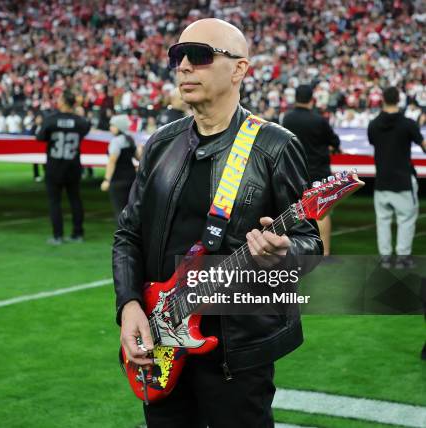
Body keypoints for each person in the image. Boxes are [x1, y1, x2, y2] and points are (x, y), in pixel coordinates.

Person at [113, 19, 322, 428]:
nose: (185, 67)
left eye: (201, 56)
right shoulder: (160, 144)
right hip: (161, 341)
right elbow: (127, 234)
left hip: (237, 353)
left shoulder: (275, 146)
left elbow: (308, 244)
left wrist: (285, 253)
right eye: (178, 56)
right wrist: (129, 305)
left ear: (240, 69)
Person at [367, 87, 426, 269]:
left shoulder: (374, 124)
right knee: (406, 221)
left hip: (382, 179)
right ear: (399, 100)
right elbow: (423, 145)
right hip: (403, 180)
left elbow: (373, 142)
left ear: (383, 99)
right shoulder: (407, 123)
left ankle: (385, 258)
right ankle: (402, 258)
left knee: (383, 221)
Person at [282, 85, 341, 256]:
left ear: (296, 99)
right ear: (311, 99)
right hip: (318, 172)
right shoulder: (319, 120)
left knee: (295, 212)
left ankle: (293, 249)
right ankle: (325, 252)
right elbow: (334, 142)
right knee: (321, 212)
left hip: (294, 171)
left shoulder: (287, 119)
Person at [36, 90, 91, 245]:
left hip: (54, 166)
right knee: (75, 199)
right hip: (73, 165)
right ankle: (78, 233)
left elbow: (40, 137)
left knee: (54, 201)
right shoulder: (80, 121)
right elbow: (85, 129)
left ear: (63, 102)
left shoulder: (51, 120)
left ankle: (57, 235)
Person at [100, 114, 142, 220]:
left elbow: (112, 162)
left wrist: (106, 180)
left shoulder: (116, 141)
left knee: (119, 211)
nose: (110, 128)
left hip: (118, 180)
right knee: (130, 210)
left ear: (119, 126)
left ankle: (122, 235)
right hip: (131, 178)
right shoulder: (130, 138)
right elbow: (138, 157)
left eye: (112, 125)